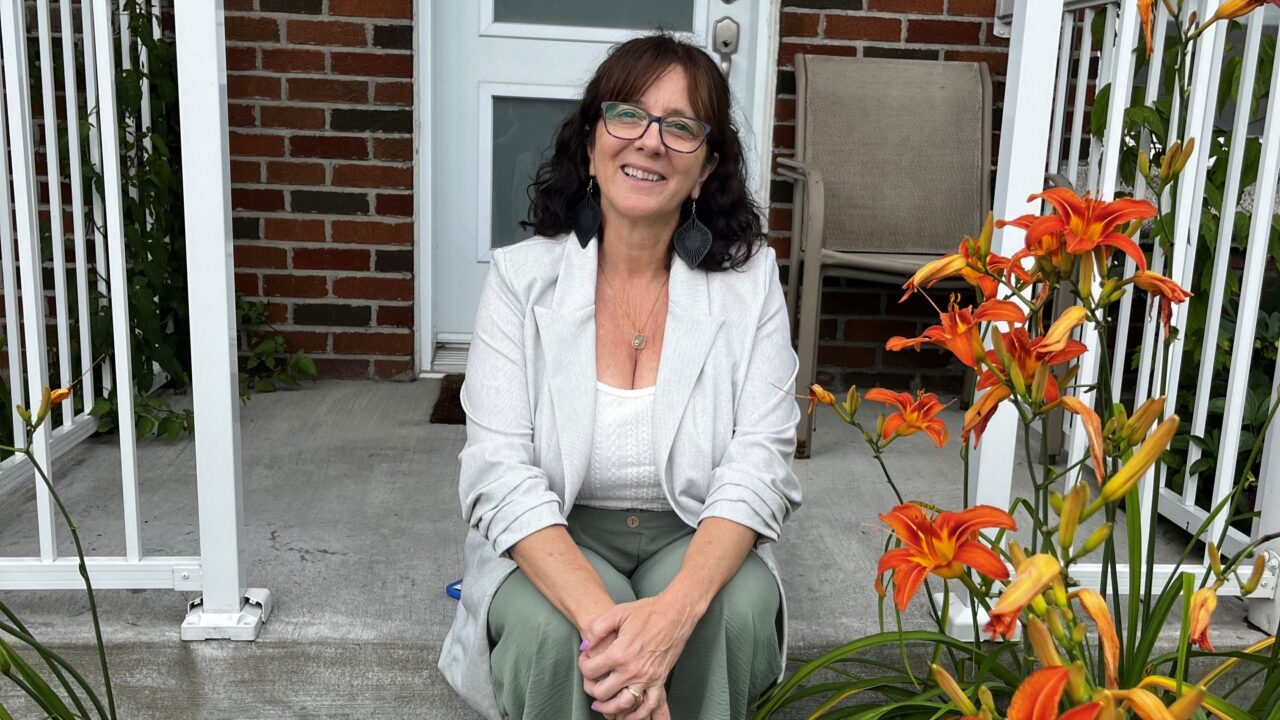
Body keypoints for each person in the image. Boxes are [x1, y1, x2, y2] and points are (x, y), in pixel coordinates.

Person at [438, 33, 802, 720]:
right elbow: (497, 473)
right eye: (628, 115)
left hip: (691, 531)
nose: (650, 142)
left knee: (734, 609)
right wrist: (622, 644)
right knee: (553, 633)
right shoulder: (521, 279)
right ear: (591, 142)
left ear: (706, 168)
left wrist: (670, 620)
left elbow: (761, 463)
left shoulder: (750, 283)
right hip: (559, 532)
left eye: (681, 127)